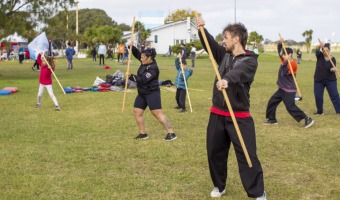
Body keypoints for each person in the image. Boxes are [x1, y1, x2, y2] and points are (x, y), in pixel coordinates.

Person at [196, 17, 266, 199]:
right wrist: (201, 29)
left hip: (239, 116)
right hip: (217, 114)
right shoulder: (223, 54)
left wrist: (226, 79)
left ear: (236, 39)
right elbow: (210, 45)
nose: (223, 41)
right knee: (214, 152)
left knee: (247, 155)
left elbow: (239, 72)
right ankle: (219, 185)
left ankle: (257, 192)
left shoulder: (250, 60)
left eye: (226, 37)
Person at [126, 42, 177, 141]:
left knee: (156, 113)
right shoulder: (144, 61)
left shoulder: (153, 68)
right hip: (142, 93)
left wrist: (131, 76)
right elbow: (137, 54)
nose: (141, 59)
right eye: (141, 57)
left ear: (149, 58)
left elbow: (143, 80)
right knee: (137, 112)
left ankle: (171, 133)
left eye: (143, 57)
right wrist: (131, 47)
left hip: (152, 93)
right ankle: (143, 134)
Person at [264, 38, 314, 128]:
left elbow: (284, 71)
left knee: (290, 107)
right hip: (282, 88)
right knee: (272, 102)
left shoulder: (293, 64)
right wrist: (280, 43)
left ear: (290, 55)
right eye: (283, 54)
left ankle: (307, 119)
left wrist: (286, 61)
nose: (282, 56)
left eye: (284, 54)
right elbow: (280, 52)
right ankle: (272, 119)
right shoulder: (285, 60)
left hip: (289, 90)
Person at [313, 42, 340, 115]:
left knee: (334, 95)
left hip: (330, 80)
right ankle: (320, 111)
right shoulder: (320, 56)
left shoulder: (333, 59)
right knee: (318, 96)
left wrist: (333, 69)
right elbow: (317, 51)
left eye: (327, 50)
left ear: (329, 50)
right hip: (318, 80)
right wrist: (319, 46)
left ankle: (339, 110)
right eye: (324, 50)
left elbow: (330, 69)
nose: (325, 52)